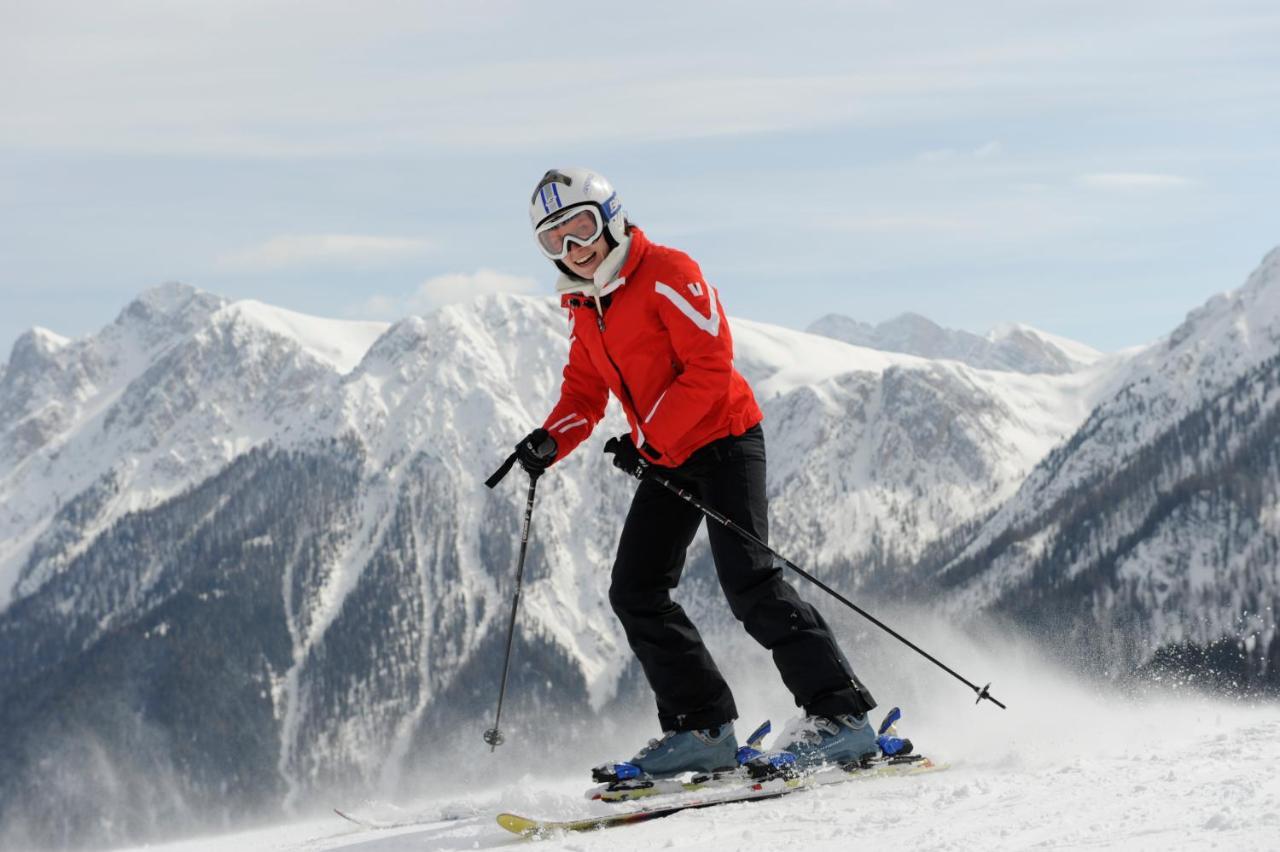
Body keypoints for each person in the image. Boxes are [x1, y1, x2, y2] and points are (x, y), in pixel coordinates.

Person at [512, 167, 878, 778]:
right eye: (556, 241)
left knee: (750, 585)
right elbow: (583, 395)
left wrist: (650, 440)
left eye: (580, 228)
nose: (574, 250)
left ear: (611, 217)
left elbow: (710, 366)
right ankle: (702, 728)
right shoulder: (584, 305)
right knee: (636, 591)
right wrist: (551, 441)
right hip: (666, 454)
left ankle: (842, 720)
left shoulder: (667, 272)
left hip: (726, 440)